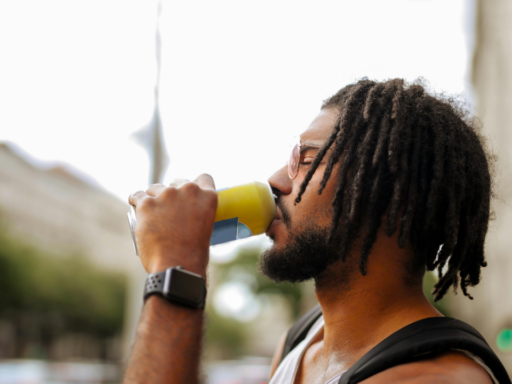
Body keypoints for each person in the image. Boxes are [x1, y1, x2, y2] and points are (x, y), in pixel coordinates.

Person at [123, 79, 504, 384]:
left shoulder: (437, 378)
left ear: (393, 193)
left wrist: (176, 271)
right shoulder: (302, 341)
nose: (275, 181)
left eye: (306, 159)